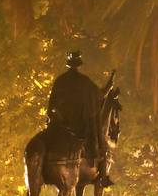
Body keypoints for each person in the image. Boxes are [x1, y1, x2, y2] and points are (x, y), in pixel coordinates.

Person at [47, 51, 114, 185]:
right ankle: (102, 175)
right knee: (101, 145)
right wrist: (109, 85)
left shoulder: (60, 81)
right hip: (78, 125)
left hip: (59, 125)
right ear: (78, 65)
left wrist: (57, 118)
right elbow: (100, 95)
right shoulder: (84, 81)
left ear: (68, 65)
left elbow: (51, 107)